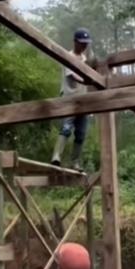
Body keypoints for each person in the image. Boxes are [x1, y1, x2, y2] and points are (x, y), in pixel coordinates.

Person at [51, 27, 92, 171]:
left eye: (86, 43)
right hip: (69, 98)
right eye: (82, 43)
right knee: (66, 128)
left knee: (81, 133)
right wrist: (87, 80)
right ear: (75, 42)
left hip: (83, 100)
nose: (84, 46)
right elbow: (72, 75)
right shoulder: (68, 55)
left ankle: (75, 162)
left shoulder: (86, 59)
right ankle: (56, 156)